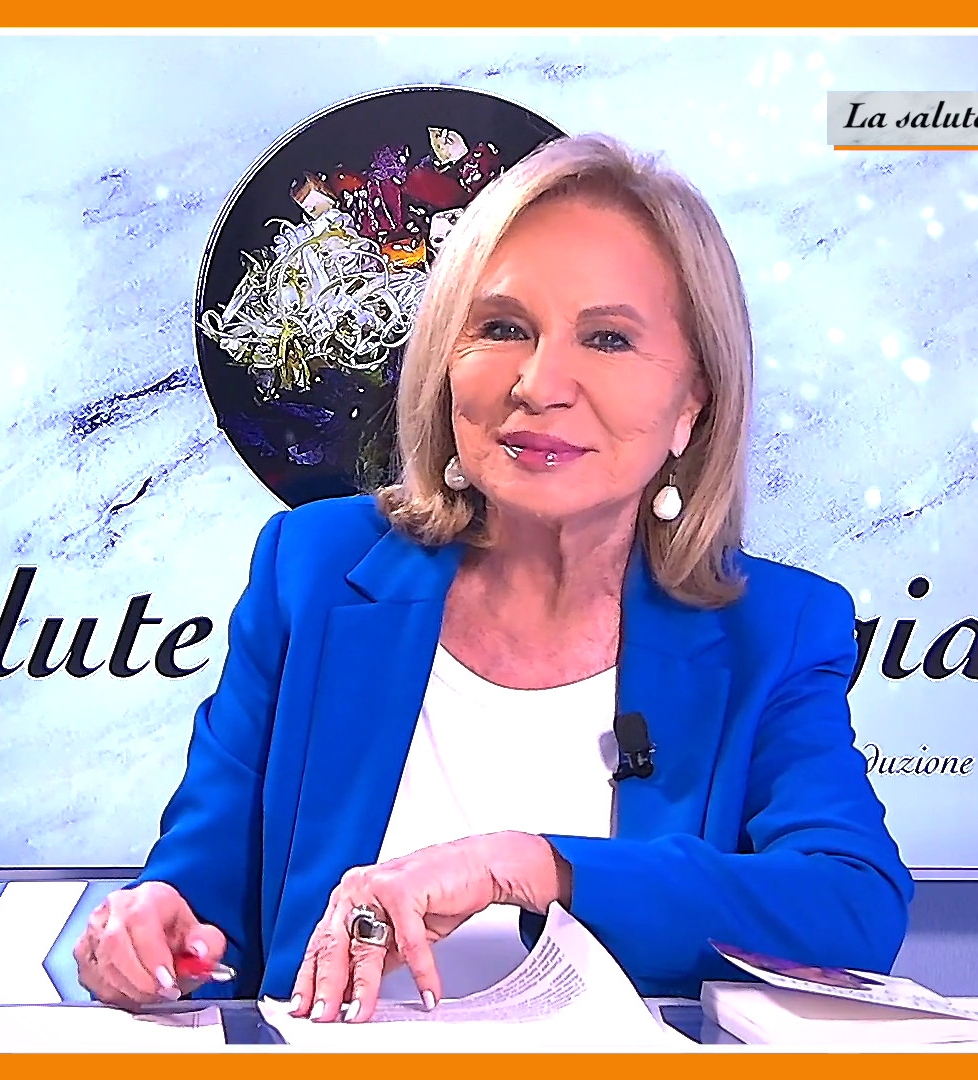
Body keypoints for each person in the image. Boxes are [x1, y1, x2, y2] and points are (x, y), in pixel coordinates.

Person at [74, 132, 912, 1023]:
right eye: (504, 329)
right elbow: (203, 901)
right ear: (446, 360)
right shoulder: (312, 573)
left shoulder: (771, 630)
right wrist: (152, 932)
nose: (540, 384)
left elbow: (851, 908)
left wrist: (528, 866)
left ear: (692, 404)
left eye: (609, 339)